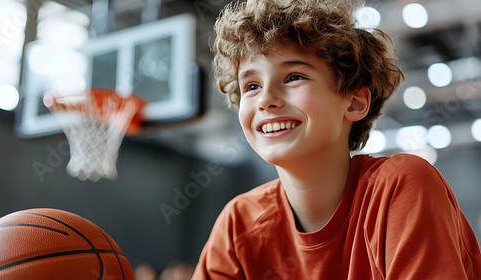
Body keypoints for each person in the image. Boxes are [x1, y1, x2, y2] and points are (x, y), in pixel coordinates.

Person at [192, 0, 481, 279]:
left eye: (293, 77)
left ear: (354, 102)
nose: (265, 100)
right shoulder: (237, 224)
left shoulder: (401, 186)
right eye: (251, 85)